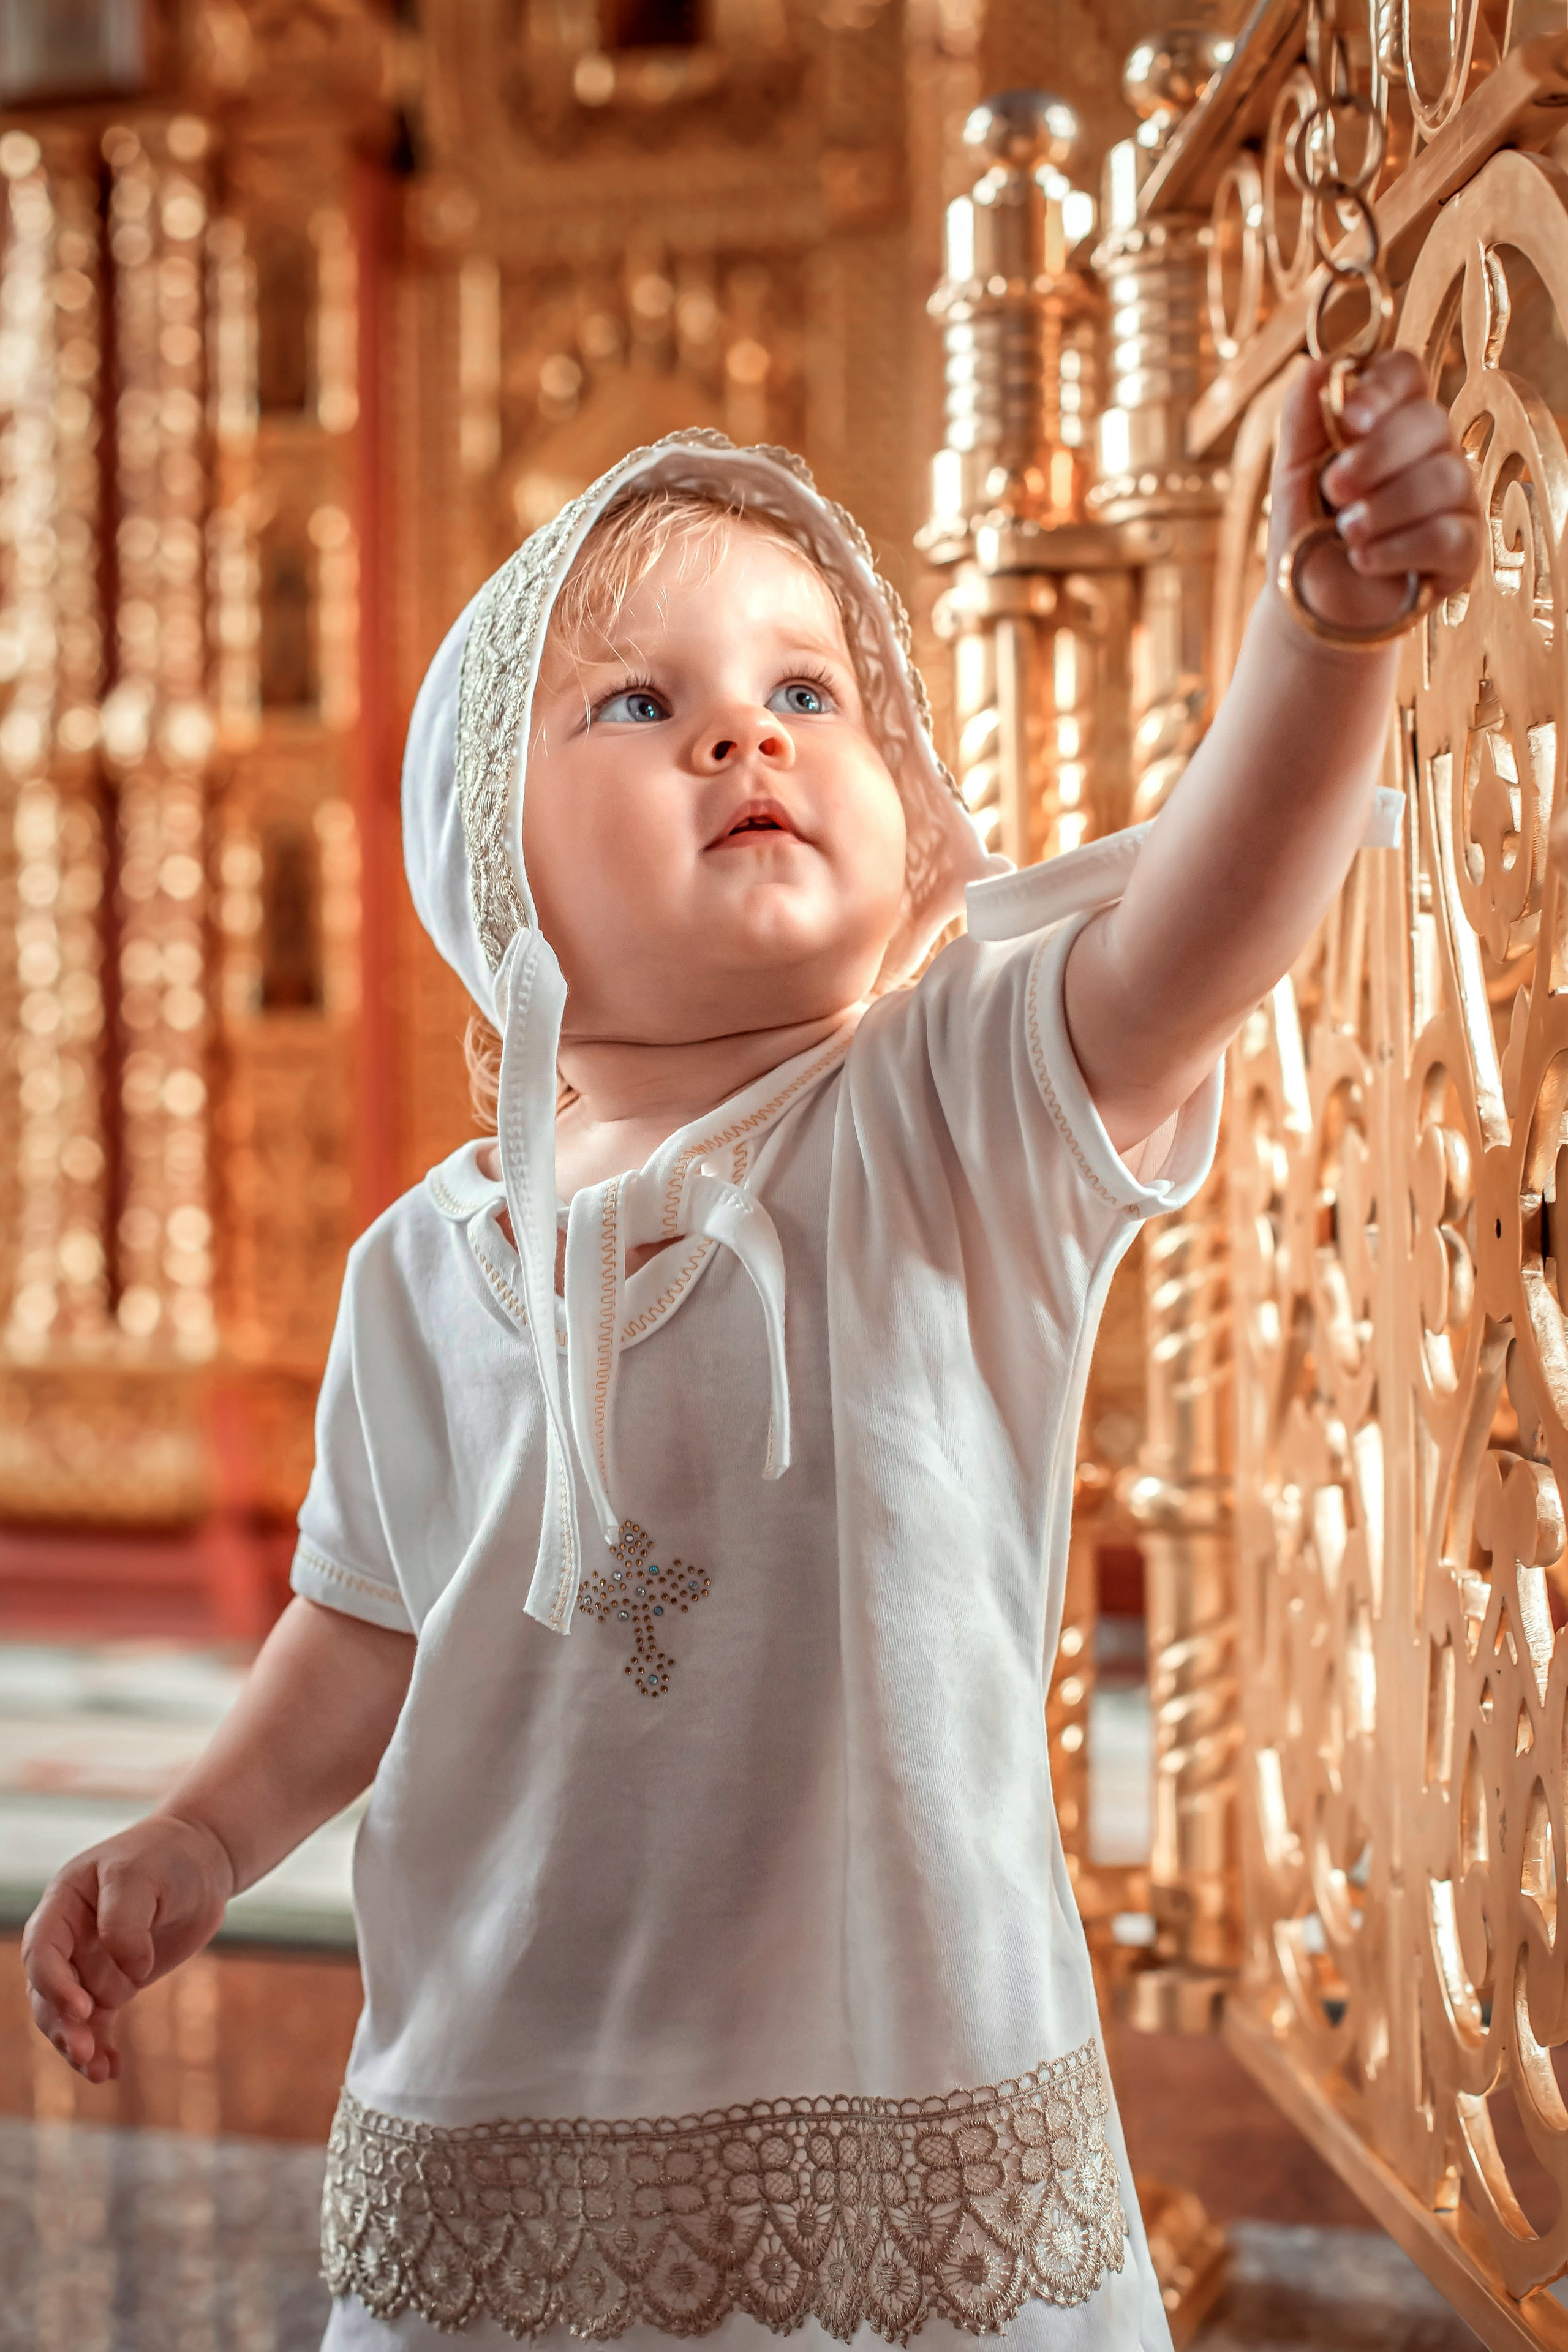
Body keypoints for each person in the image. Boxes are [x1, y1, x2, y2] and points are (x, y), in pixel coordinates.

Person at [24, 354, 1479, 2351]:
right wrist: (200, 1834)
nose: (743, 733)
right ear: (488, 861)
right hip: (515, 2096)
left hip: (896, 2092)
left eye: (809, 691)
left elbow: (1208, 922)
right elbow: (364, 1628)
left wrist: (1323, 638)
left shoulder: (943, 1113)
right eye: (641, 703)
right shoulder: (423, 1269)